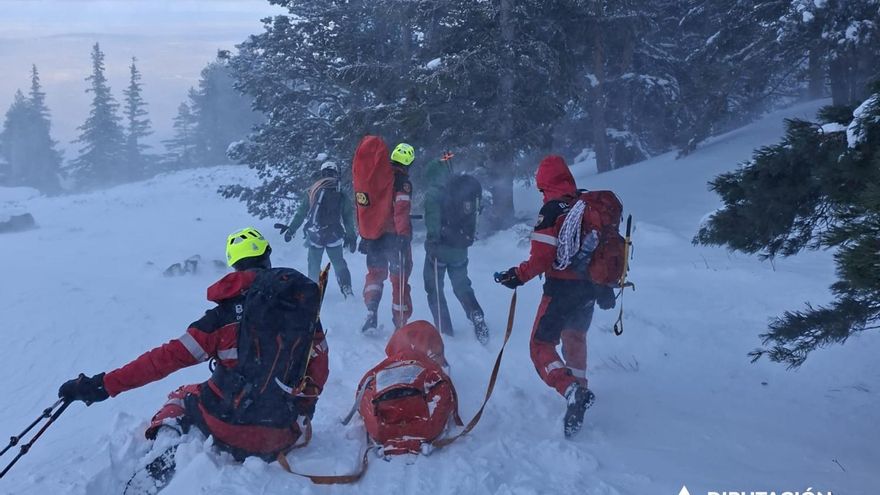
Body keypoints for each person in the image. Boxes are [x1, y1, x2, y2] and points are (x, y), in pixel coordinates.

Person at [57, 227, 329, 488]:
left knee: (182, 394)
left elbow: (162, 360)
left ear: (235, 266)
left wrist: (103, 385)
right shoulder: (302, 314)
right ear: (267, 258)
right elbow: (319, 368)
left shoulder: (219, 319)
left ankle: (166, 442)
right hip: (280, 435)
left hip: (226, 427)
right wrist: (303, 411)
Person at [494, 155, 615, 438]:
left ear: (544, 183)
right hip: (590, 289)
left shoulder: (552, 210)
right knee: (575, 337)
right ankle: (580, 390)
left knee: (540, 345)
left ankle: (570, 390)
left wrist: (516, 276)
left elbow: (542, 258)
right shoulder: (585, 204)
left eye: (541, 188)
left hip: (561, 289)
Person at [422, 154, 489, 344]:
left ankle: (445, 330)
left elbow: (433, 221)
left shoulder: (433, 193)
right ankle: (475, 313)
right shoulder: (460, 188)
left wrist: (433, 241)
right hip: (460, 247)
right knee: (461, 285)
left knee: (434, 287)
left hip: (440, 250)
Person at [359, 142, 415, 332]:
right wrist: (404, 235)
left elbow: (365, 209)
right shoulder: (401, 182)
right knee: (399, 280)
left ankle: (371, 311)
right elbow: (401, 210)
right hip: (394, 238)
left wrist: (365, 235)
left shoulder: (376, 178)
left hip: (374, 237)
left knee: (375, 275)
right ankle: (401, 324)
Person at [280, 161, 357, 297]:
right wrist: (351, 236)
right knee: (339, 263)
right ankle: (346, 287)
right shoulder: (340, 192)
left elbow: (301, 213)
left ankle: (313, 289)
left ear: (322, 173)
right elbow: (347, 218)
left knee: (314, 265)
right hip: (334, 235)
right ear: (335, 173)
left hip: (315, 235)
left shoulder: (313, 191)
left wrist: (291, 230)